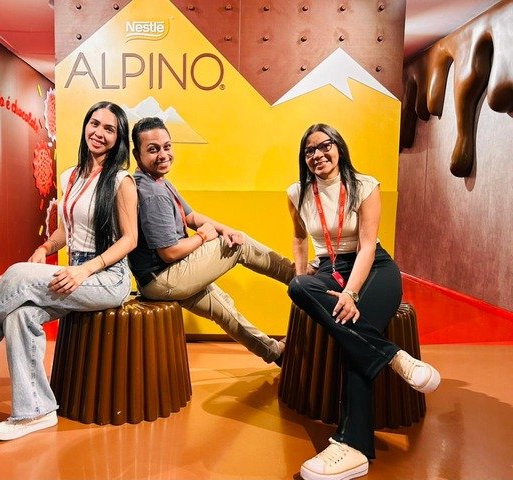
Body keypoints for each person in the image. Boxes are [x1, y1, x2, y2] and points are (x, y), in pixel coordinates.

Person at [0, 101, 138, 441]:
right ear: (85, 125)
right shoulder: (71, 176)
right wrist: (45, 248)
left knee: (15, 274)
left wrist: (85, 271)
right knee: (20, 316)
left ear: (119, 138)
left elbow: (130, 239)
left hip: (108, 277)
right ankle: (35, 410)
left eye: (110, 129)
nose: (99, 133)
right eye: (95, 123)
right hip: (76, 271)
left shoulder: (121, 181)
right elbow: (66, 231)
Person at [286, 123, 441, 480]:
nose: (318, 155)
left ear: (339, 148)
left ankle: (352, 446)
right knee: (298, 287)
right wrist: (303, 272)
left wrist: (351, 294)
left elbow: (368, 246)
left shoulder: (364, 186)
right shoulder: (297, 192)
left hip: (373, 268)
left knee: (349, 330)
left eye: (325, 146)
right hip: (329, 267)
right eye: (309, 150)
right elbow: (298, 238)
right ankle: (395, 357)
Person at [128, 117, 294, 365]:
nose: (163, 155)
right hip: (164, 277)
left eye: (167, 146)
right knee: (239, 246)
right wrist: (203, 237)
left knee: (223, 308)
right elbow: (169, 252)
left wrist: (227, 229)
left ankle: (275, 353)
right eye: (153, 149)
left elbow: (191, 216)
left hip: (158, 279)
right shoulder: (152, 193)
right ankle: (297, 275)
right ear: (137, 154)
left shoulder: (158, 181)